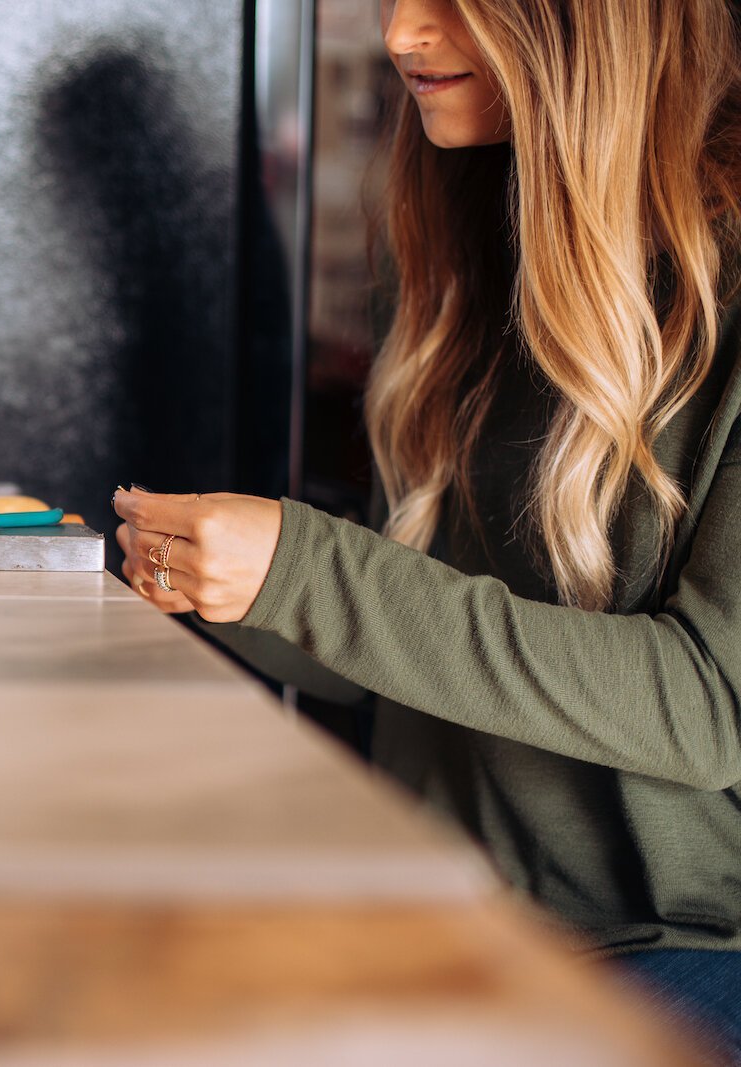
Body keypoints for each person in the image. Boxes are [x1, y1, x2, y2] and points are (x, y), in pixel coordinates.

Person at [114, 0, 741, 1059]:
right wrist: (194, 575)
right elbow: (391, 645)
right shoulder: (457, 240)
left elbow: (709, 707)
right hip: (444, 908)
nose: (402, 33)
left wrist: (307, 571)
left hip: (683, 949)